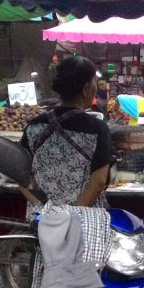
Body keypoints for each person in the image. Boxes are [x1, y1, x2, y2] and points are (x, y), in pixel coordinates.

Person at [20, 55, 113, 210]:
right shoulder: (97, 129)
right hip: (83, 221)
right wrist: (70, 216)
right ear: (86, 89)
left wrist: (43, 210)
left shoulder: (34, 125)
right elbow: (99, 181)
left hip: (42, 220)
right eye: (94, 83)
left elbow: (20, 175)